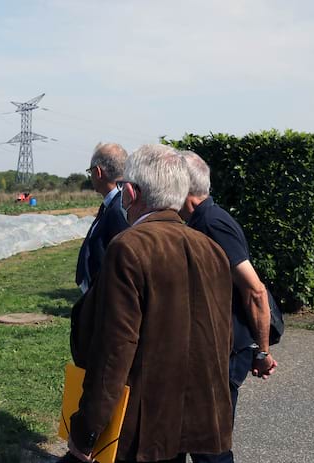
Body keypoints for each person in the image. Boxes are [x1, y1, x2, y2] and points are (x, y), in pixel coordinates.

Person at [64, 144, 234, 463]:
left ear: (130, 192)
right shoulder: (212, 250)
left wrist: (86, 431)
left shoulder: (128, 248)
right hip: (194, 417)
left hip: (141, 426)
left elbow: (114, 350)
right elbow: (221, 339)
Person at [178, 150, 278, 462]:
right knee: (194, 439)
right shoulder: (200, 220)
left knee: (210, 446)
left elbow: (255, 290)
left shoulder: (212, 223)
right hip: (216, 349)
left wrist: (261, 352)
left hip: (227, 353)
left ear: (183, 187)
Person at [75, 142, 130, 294]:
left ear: (98, 172)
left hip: (107, 295)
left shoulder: (119, 208)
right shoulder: (112, 203)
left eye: (90, 171)